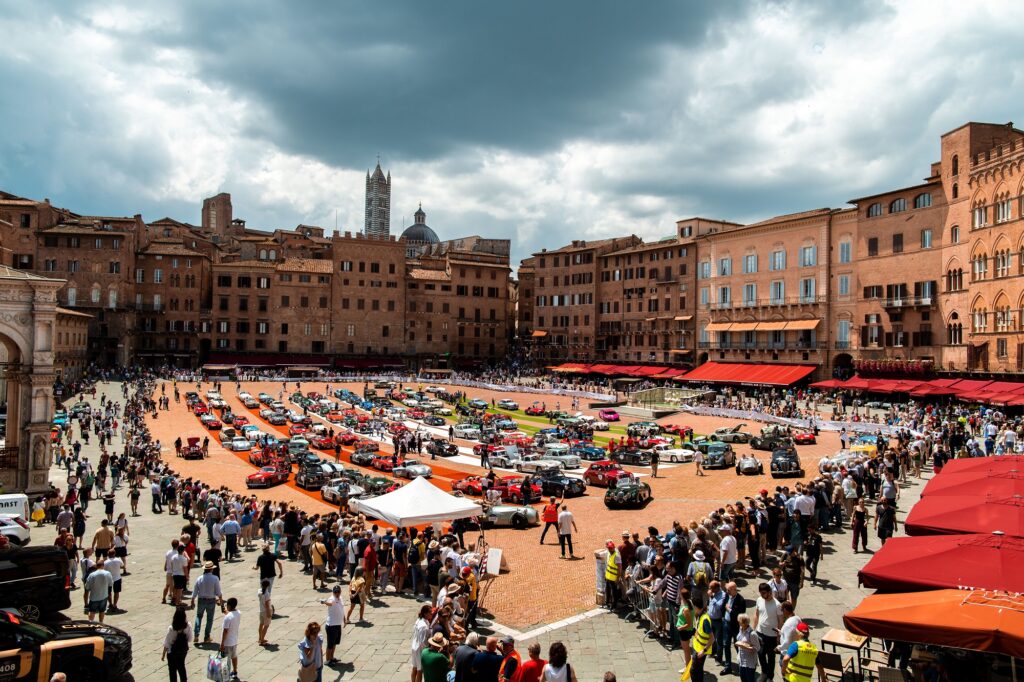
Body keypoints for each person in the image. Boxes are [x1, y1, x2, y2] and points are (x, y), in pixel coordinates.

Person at [753, 582, 782, 682]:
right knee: (760, 653)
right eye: (761, 593)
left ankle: (770, 676)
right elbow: (756, 614)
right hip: (760, 632)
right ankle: (764, 672)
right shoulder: (759, 600)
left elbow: (780, 620)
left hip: (772, 635)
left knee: (771, 656)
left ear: (769, 592)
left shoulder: (777, 604)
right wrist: (754, 629)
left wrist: (779, 635)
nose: (762, 595)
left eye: (764, 593)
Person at [190, 561, 223, 643]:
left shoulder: (199, 578)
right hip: (211, 600)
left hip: (201, 599)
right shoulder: (215, 578)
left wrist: (192, 600)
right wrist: (221, 600)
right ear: (211, 569)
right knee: (209, 619)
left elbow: (195, 591)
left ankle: (196, 635)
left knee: (199, 616)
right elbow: (218, 592)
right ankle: (206, 636)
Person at [162, 606, 193, 682]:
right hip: (182, 651)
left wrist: (163, 654)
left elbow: (167, 643)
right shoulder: (188, 625)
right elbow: (190, 639)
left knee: (172, 671)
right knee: (181, 667)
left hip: (172, 652)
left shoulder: (171, 628)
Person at [685, 599, 713, 681]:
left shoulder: (705, 620)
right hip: (697, 647)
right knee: (697, 671)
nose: (692, 608)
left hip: (701, 651)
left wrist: (703, 651)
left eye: (693, 606)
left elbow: (712, 638)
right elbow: (699, 631)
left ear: (696, 607)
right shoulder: (699, 615)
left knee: (694, 671)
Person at [322, 584, 346, 665]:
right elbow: (329, 603)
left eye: (338, 592)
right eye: (335, 592)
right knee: (330, 644)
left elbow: (342, 609)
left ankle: (332, 657)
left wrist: (344, 619)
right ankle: (327, 660)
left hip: (337, 624)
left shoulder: (340, 598)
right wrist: (324, 602)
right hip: (331, 625)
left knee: (335, 643)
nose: (337, 593)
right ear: (333, 592)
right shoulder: (332, 599)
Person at [734, 614, 761, 682]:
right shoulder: (741, 629)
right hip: (741, 660)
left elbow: (757, 648)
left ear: (744, 623)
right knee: (743, 679)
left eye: (739, 621)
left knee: (750, 680)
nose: (738, 622)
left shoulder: (752, 634)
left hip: (749, 662)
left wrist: (744, 647)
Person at [219, 597, 241, 680]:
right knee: (234, 656)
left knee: (225, 661)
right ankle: (235, 671)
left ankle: (225, 677)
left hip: (227, 642)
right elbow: (230, 613)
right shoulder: (238, 613)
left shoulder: (227, 618)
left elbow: (225, 631)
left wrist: (222, 644)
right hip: (234, 640)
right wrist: (224, 609)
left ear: (228, 605)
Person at [410, 604, 433, 682]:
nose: (432, 614)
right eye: (430, 612)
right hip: (420, 649)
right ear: (425, 613)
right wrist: (427, 650)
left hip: (414, 647)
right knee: (420, 670)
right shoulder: (423, 626)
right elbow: (422, 642)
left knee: (415, 667)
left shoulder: (419, 620)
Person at [603, 540, 622, 610]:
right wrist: (606, 575)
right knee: (607, 591)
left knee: (614, 593)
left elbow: (619, 568)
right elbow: (608, 565)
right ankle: (607, 602)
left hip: (613, 578)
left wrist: (618, 578)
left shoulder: (616, 556)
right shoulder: (610, 554)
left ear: (614, 548)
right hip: (608, 577)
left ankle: (614, 605)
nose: (610, 549)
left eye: (611, 548)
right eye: (609, 548)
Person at [257, 579, 273, 645]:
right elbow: (266, 604)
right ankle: (262, 639)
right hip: (265, 611)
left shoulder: (259, 591)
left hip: (261, 610)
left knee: (261, 624)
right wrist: (269, 612)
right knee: (266, 626)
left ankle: (260, 638)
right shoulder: (267, 593)